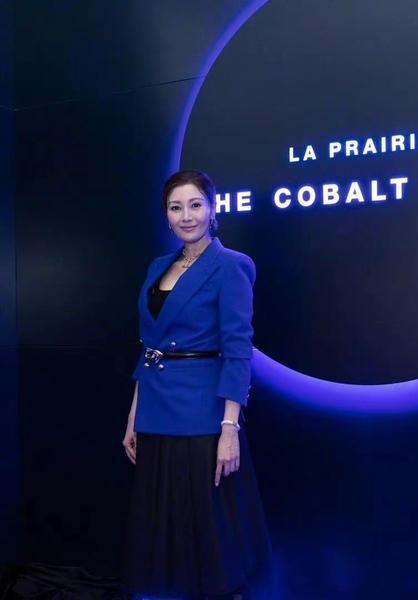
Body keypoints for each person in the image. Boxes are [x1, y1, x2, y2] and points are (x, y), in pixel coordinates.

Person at [120, 170, 271, 600]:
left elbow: (238, 350)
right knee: (162, 521)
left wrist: (230, 428)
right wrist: (133, 417)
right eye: (176, 207)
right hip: (155, 407)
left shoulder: (231, 265)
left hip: (202, 412)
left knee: (208, 525)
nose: (186, 216)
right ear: (166, 216)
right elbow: (149, 346)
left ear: (212, 209)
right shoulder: (157, 266)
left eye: (195, 205)